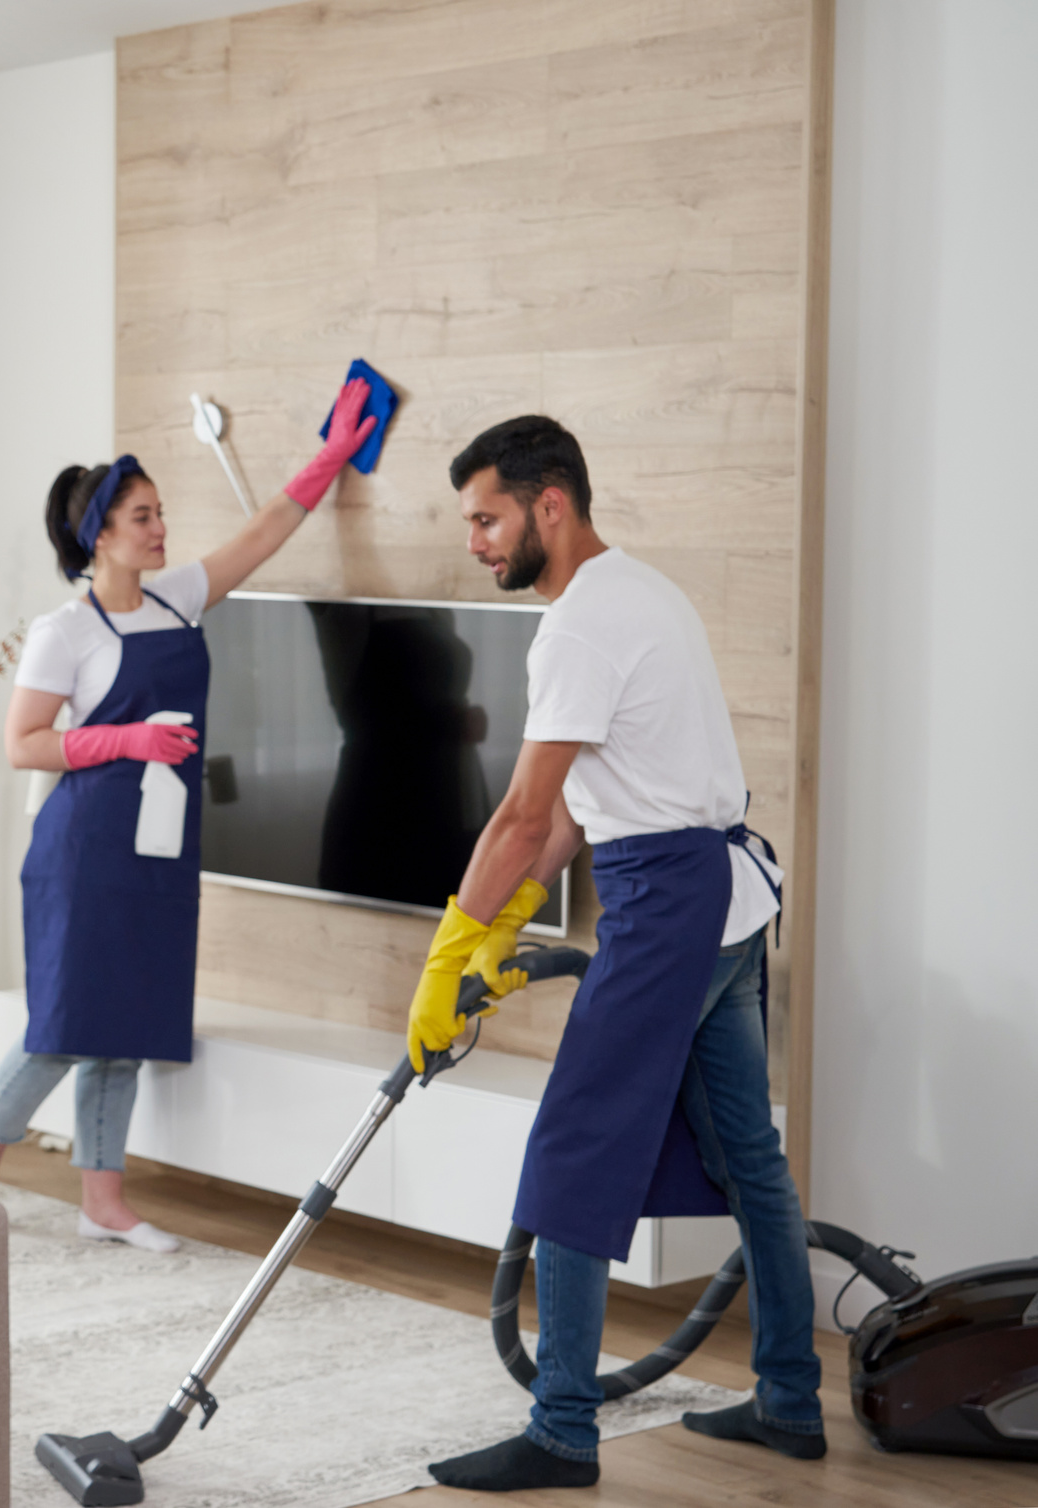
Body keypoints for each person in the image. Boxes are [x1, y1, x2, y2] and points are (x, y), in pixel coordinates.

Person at [412, 416, 817, 1492]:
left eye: (488, 517)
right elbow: (565, 826)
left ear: (552, 502)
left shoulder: (579, 627)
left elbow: (517, 815)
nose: (478, 541)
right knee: (749, 1160)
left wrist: (447, 944)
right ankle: (788, 1394)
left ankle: (560, 1430)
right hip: (721, 906)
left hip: (667, 908)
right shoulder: (644, 590)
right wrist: (498, 931)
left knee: (573, 1153)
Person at [0, 379, 378, 1248]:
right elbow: (24, 743)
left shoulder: (179, 594)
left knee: (128, 1022)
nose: (159, 528)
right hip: (82, 849)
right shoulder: (64, 632)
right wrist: (128, 740)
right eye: (142, 516)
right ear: (100, 534)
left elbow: (263, 534)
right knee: (67, 1020)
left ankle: (103, 1200)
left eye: (158, 513)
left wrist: (329, 458)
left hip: (159, 843)